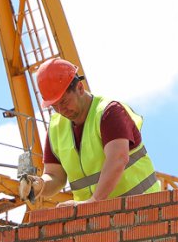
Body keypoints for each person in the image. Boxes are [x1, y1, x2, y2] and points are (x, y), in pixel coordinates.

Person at [20, 58, 160, 206]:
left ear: (80, 88)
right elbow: (55, 176)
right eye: (54, 106)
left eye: (64, 102)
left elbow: (118, 159)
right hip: (101, 219)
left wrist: (93, 202)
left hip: (145, 211)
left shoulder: (109, 112)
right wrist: (40, 185)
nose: (61, 110)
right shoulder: (56, 127)